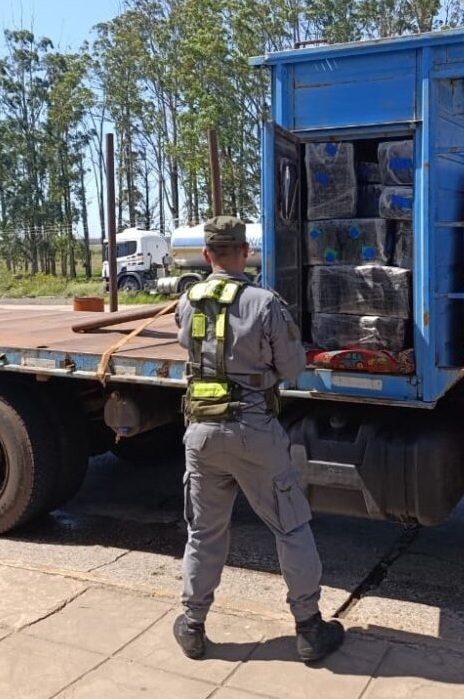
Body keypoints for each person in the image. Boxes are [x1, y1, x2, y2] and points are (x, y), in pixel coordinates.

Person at [172, 216, 345, 663]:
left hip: (201, 434)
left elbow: (187, 350)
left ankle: (192, 626)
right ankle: (309, 628)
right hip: (254, 432)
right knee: (290, 526)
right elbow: (292, 370)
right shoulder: (264, 302)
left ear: (207, 255)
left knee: (204, 533)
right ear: (245, 253)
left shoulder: (188, 301)